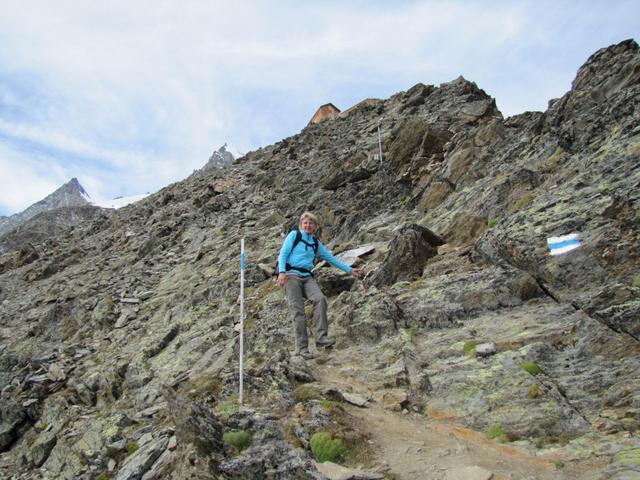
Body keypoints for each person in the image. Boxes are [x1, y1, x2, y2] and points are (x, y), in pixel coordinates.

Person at [277, 212, 364, 359]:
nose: (308, 225)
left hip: (307, 277)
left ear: (315, 226)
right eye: (305, 223)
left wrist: (350, 270)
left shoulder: (315, 243)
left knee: (320, 299)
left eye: (311, 223)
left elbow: (330, 258)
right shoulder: (294, 235)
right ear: (301, 224)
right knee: (298, 312)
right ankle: (302, 349)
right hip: (291, 276)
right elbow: (283, 254)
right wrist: (281, 272)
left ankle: (321, 338)